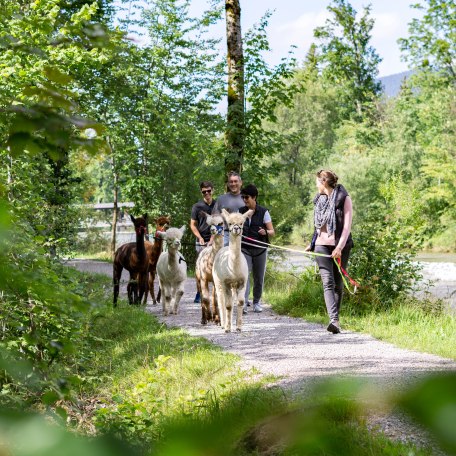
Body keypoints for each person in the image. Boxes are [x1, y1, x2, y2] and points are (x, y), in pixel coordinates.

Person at [305, 169, 353, 334]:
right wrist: (312, 243)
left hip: (341, 245)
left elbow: (346, 227)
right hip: (321, 245)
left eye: (317, 182)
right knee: (328, 282)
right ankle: (334, 320)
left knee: (338, 284)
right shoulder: (319, 200)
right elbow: (318, 225)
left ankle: (336, 321)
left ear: (323, 182)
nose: (316, 185)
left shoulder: (344, 198)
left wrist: (339, 247)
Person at [239, 184, 275, 314]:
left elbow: (272, 231)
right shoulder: (240, 211)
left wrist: (265, 232)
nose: (245, 200)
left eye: (247, 197)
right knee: (244, 275)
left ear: (254, 197)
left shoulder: (264, 212)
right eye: (243, 197)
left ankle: (256, 302)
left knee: (259, 277)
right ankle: (243, 302)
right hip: (245, 249)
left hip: (260, 249)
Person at [190, 180, 216, 303]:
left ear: (212, 190)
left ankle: (217, 292)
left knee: (215, 266)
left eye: (208, 191)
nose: (207, 193)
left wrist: (213, 238)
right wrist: (200, 238)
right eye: (204, 191)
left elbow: (220, 223)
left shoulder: (217, 205)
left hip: (215, 240)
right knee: (200, 267)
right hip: (201, 241)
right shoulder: (197, 206)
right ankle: (199, 292)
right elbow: (193, 225)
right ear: (201, 192)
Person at [213, 171, 245, 246]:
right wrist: (216, 238)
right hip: (226, 235)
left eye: (235, 181)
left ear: (241, 183)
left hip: (243, 235)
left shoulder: (246, 198)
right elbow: (215, 220)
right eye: (231, 182)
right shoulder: (221, 199)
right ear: (228, 184)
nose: (233, 184)